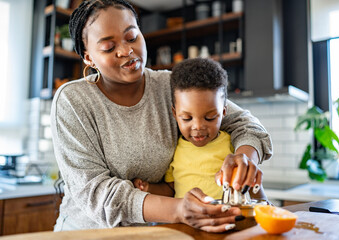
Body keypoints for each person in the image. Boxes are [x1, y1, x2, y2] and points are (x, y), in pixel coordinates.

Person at [51, 0, 272, 233]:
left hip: (156, 233)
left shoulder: (170, 85)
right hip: (86, 235)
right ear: (88, 57)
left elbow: (246, 124)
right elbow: (96, 193)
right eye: (108, 47)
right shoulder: (73, 100)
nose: (127, 51)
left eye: (132, 37)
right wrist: (178, 210)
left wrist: (245, 158)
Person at [133, 58, 264, 202]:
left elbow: (249, 181)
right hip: (185, 223)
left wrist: (265, 204)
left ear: (224, 112)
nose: (198, 126)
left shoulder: (232, 146)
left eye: (210, 118)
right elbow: (171, 189)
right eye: (187, 118)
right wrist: (148, 188)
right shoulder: (174, 150)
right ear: (175, 113)